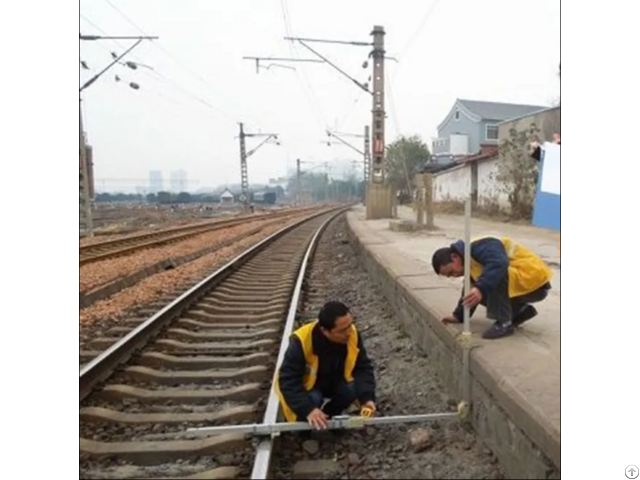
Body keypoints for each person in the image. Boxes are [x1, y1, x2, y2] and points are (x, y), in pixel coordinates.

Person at [275, 301, 376, 430]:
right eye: (342, 330)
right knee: (314, 398)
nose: (349, 332)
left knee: (353, 388)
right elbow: (288, 381)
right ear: (324, 330)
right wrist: (309, 410)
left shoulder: (352, 334)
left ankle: (331, 415)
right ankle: (305, 428)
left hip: (335, 382)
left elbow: (363, 367)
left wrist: (367, 398)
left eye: (350, 325)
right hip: (310, 387)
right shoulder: (300, 341)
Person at [431, 236, 553, 339]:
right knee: (476, 290)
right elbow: (469, 290)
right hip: (523, 284)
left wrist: (480, 288)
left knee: (491, 276)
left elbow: (498, 263)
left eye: (451, 272)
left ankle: (504, 323)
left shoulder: (480, 245)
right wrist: (458, 316)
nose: (454, 276)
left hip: (534, 281)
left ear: (454, 257)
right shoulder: (469, 263)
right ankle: (519, 311)